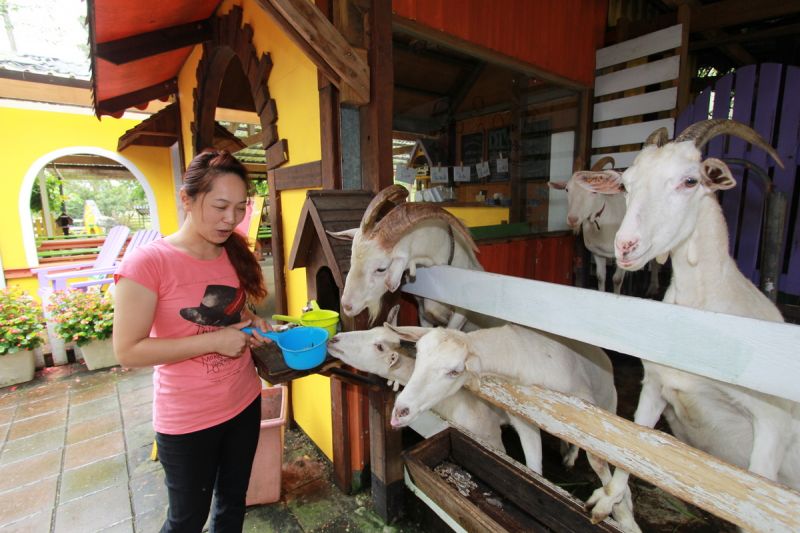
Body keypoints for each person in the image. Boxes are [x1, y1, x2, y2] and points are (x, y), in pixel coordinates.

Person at [113, 150, 271, 532]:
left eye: (239, 207)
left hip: (244, 402)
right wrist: (214, 342)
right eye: (219, 206)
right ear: (187, 199)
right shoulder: (147, 263)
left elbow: (234, 316)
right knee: (186, 521)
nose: (231, 219)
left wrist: (253, 325)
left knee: (233, 506)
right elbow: (128, 351)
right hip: (188, 420)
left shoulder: (232, 252)